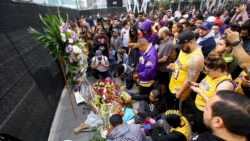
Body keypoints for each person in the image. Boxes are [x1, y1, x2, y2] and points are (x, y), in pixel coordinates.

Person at [189, 51, 235, 134]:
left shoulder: (225, 84)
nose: (206, 73)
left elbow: (215, 104)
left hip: (208, 112)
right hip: (198, 107)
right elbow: (209, 86)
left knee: (203, 132)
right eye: (205, 70)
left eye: (208, 71)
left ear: (218, 70)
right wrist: (199, 85)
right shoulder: (212, 74)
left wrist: (199, 91)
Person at [168, 30, 204, 111]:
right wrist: (174, 64)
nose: (180, 48)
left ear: (191, 42)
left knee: (177, 112)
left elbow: (190, 80)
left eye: (182, 46)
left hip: (180, 92)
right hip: (173, 84)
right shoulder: (184, 49)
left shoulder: (196, 58)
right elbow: (179, 60)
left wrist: (179, 93)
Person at [157, 27, 173, 94]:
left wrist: (154, 62)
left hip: (164, 69)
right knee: (160, 82)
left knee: (163, 84)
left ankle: (163, 96)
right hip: (159, 67)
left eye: (159, 33)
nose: (158, 35)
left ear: (163, 34)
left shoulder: (169, 43)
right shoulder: (162, 41)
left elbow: (164, 59)